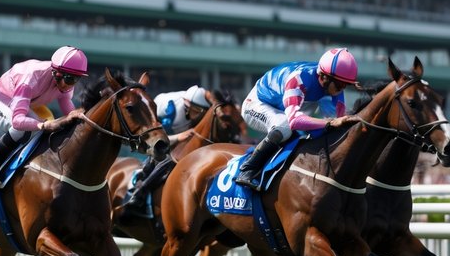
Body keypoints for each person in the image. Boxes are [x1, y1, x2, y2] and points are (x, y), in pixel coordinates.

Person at [234, 47, 357, 191]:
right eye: (340, 84)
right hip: (257, 104)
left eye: (346, 85)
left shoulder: (332, 85)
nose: (341, 90)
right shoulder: (299, 78)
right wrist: (330, 122)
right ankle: (248, 168)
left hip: (285, 109)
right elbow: (294, 121)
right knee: (285, 126)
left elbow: (337, 124)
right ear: (324, 77)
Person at [0, 46, 88, 190]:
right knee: (23, 130)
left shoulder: (65, 79)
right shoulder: (31, 78)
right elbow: (17, 120)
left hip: (29, 103)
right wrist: (42, 125)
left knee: (48, 127)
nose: (69, 84)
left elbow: (69, 112)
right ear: (55, 72)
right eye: (67, 78)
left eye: (74, 80)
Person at [121, 85, 212, 210]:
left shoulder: (192, 108)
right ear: (187, 105)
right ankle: (140, 192)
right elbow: (156, 138)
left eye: (201, 112)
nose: (197, 115)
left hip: (170, 130)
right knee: (168, 158)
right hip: (156, 130)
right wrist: (178, 137)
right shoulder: (171, 111)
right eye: (195, 110)